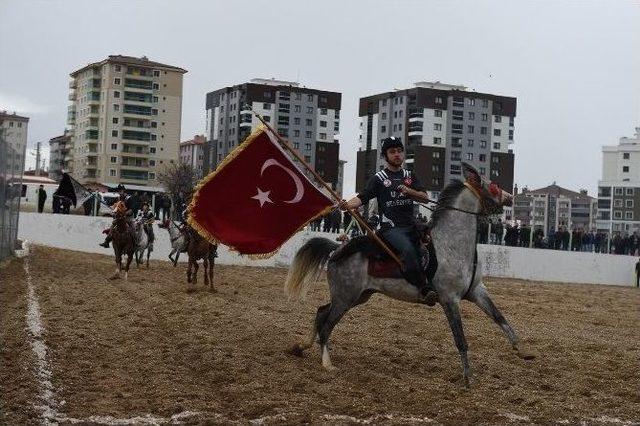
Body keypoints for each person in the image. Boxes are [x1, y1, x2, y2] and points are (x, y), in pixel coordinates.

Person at [339, 136, 437, 305]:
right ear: (385, 156)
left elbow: (425, 198)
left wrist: (409, 191)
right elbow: (362, 198)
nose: (397, 154)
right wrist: (346, 205)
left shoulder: (410, 176)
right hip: (391, 228)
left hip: (412, 225)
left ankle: (433, 280)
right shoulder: (379, 178)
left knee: (432, 247)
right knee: (407, 249)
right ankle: (424, 289)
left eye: (399, 151)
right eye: (392, 152)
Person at [99, 184, 134, 248]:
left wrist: (125, 213)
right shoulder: (118, 198)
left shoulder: (129, 198)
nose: (119, 192)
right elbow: (110, 203)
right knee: (112, 227)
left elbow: (131, 209)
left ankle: (135, 243)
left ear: (124, 191)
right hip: (119, 218)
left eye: (121, 190)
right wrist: (104, 202)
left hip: (128, 218)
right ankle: (106, 241)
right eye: (118, 190)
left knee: (133, 229)